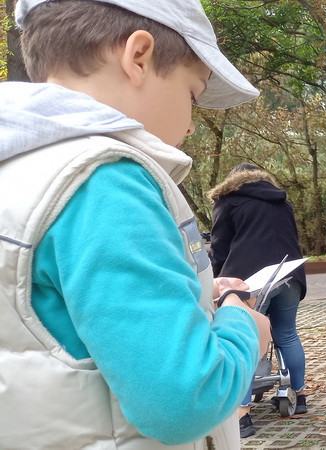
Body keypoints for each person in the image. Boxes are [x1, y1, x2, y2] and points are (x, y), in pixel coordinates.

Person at [0, 0, 271, 447]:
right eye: (193, 94)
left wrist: (191, 292)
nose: (191, 125)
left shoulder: (19, 165)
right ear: (138, 57)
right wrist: (241, 325)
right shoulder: (104, 181)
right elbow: (184, 399)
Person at [208, 162, 309, 437]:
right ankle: (299, 397)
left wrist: (217, 283)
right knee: (287, 333)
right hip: (289, 273)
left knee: (247, 337)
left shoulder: (228, 201)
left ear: (232, 180)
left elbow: (219, 247)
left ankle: (242, 416)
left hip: (249, 278)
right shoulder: (282, 201)